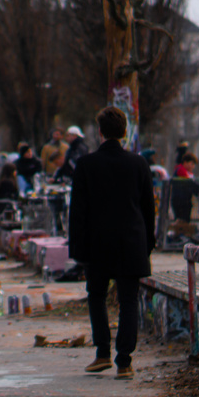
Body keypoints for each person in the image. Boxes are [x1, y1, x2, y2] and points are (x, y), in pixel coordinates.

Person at [68, 105, 155, 378]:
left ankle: (102, 352)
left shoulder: (85, 165)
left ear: (100, 132)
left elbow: (77, 211)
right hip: (132, 243)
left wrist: (78, 250)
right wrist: (148, 244)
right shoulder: (139, 164)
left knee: (96, 296)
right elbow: (148, 209)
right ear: (124, 132)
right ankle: (125, 361)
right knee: (129, 300)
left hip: (97, 246)